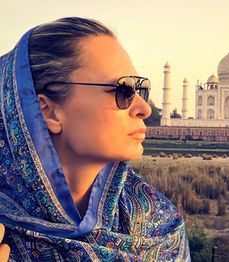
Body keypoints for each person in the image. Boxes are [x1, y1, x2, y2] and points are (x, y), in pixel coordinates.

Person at [0, 17, 190, 261]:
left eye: (140, 90)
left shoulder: (157, 225)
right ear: (49, 111)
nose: (144, 108)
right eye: (123, 90)